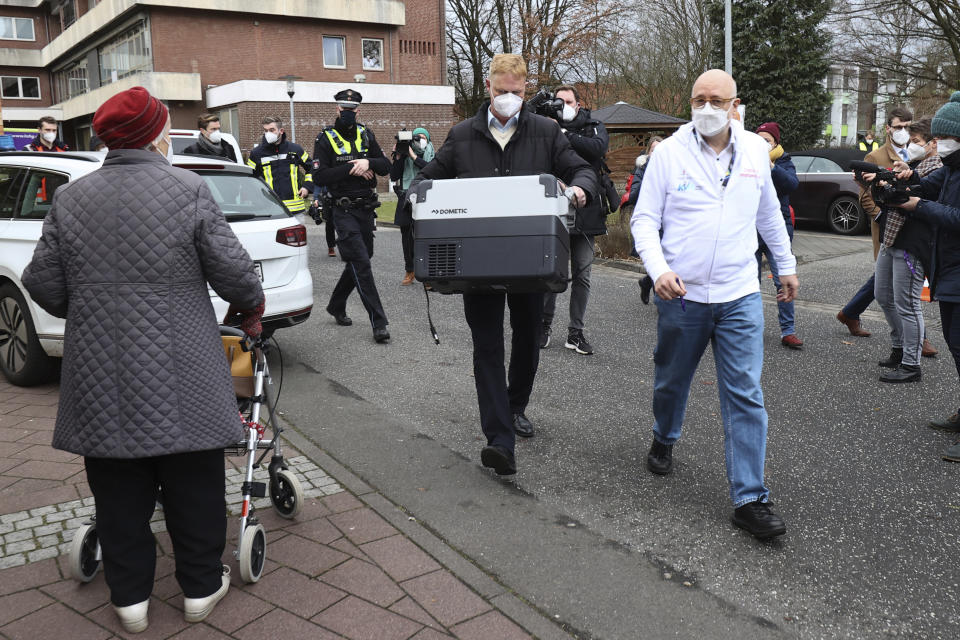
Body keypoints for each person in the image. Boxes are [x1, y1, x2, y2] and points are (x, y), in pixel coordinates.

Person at [20, 86, 264, 633]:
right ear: (155, 134)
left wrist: (87, 303)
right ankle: (200, 587)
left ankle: (129, 599)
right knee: (194, 479)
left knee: (116, 482)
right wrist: (251, 305)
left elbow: (42, 281)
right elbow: (237, 276)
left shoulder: (71, 198)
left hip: (99, 366)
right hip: (184, 364)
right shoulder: (188, 189)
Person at [407, 53, 596, 475]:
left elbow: (581, 169)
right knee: (487, 346)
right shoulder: (462, 135)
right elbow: (428, 177)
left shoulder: (546, 132)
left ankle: (515, 406)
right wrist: (414, 194)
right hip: (478, 262)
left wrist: (580, 190)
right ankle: (499, 439)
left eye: (516, 91)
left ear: (525, 89)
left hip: (532, 260)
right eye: (501, 90)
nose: (508, 97)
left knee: (528, 339)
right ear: (489, 87)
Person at [631, 69, 798, 540]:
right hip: (681, 297)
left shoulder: (754, 152)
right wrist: (659, 268)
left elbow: (768, 215)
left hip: (739, 292)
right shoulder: (668, 154)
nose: (707, 108)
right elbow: (644, 220)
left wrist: (785, 266)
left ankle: (750, 498)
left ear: (734, 105)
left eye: (716, 100)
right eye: (699, 99)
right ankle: (664, 437)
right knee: (671, 380)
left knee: (745, 392)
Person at [886, 92, 960, 459]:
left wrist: (920, 206)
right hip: (948, 268)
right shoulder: (951, 168)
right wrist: (898, 181)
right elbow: (921, 186)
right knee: (955, 343)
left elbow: (952, 215)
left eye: (950, 138)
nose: (942, 144)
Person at [312, 89, 392, 343]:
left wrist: (368, 162)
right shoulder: (324, 138)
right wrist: (351, 169)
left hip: (365, 209)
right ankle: (379, 322)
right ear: (337, 110)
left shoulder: (366, 134)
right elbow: (320, 176)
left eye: (352, 110)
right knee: (362, 263)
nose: (348, 113)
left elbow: (386, 165)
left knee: (362, 258)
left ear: (358, 111)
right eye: (344, 109)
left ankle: (336, 304)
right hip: (342, 210)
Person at [536, 85, 608, 355]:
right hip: (554, 210)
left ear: (578, 105)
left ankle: (575, 332)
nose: (562, 105)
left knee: (583, 274)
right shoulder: (543, 127)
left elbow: (597, 149)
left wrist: (562, 132)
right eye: (558, 101)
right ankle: (543, 326)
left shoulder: (594, 125)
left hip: (586, 210)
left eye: (568, 101)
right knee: (551, 273)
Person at [837, 107, 913, 339]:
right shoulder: (875, 156)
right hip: (888, 226)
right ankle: (917, 338)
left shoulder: (918, 152)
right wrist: (881, 216)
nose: (903, 131)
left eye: (907, 127)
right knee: (897, 281)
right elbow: (864, 194)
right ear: (888, 128)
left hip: (913, 224)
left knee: (889, 277)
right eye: (898, 127)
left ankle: (850, 312)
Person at [754, 122, 803, 349]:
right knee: (749, 282)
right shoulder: (747, 160)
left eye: (767, 140)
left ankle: (788, 330)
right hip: (750, 230)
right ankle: (750, 327)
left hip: (777, 230)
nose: (763, 144)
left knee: (782, 280)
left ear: (775, 143)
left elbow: (792, 185)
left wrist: (771, 167)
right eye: (759, 139)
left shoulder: (783, 161)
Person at [390, 127, 434, 285]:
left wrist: (413, 156)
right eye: (416, 137)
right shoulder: (405, 153)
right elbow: (394, 175)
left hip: (426, 198)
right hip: (406, 197)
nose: (419, 140)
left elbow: (430, 169)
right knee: (407, 237)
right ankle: (410, 270)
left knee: (425, 237)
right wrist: (400, 156)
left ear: (428, 141)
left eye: (423, 137)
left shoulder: (432, 154)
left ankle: (427, 274)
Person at [246, 116, 313, 214]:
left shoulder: (295, 149)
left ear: (281, 131)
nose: (268, 133)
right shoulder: (256, 154)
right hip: (269, 210)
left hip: (295, 210)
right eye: (266, 130)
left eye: (272, 130)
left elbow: (312, 168)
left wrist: (307, 186)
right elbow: (249, 178)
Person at [629, 136, 663, 305]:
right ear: (648, 153)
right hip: (650, 221)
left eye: (660, 150)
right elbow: (634, 195)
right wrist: (649, 174)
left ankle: (647, 282)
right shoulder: (642, 168)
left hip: (667, 222)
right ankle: (660, 301)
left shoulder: (670, 169)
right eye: (653, 150)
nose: (656, 154)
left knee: (668, 260)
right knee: (659, 258)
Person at [311, 183, 337, 257]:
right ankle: (331, 247)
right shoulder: (324, 171)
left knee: (343, 225)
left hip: (340, 199)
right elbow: (318, 184)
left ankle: (346, 247)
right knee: (330, 225)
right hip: (327, 200)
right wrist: (316, 199)